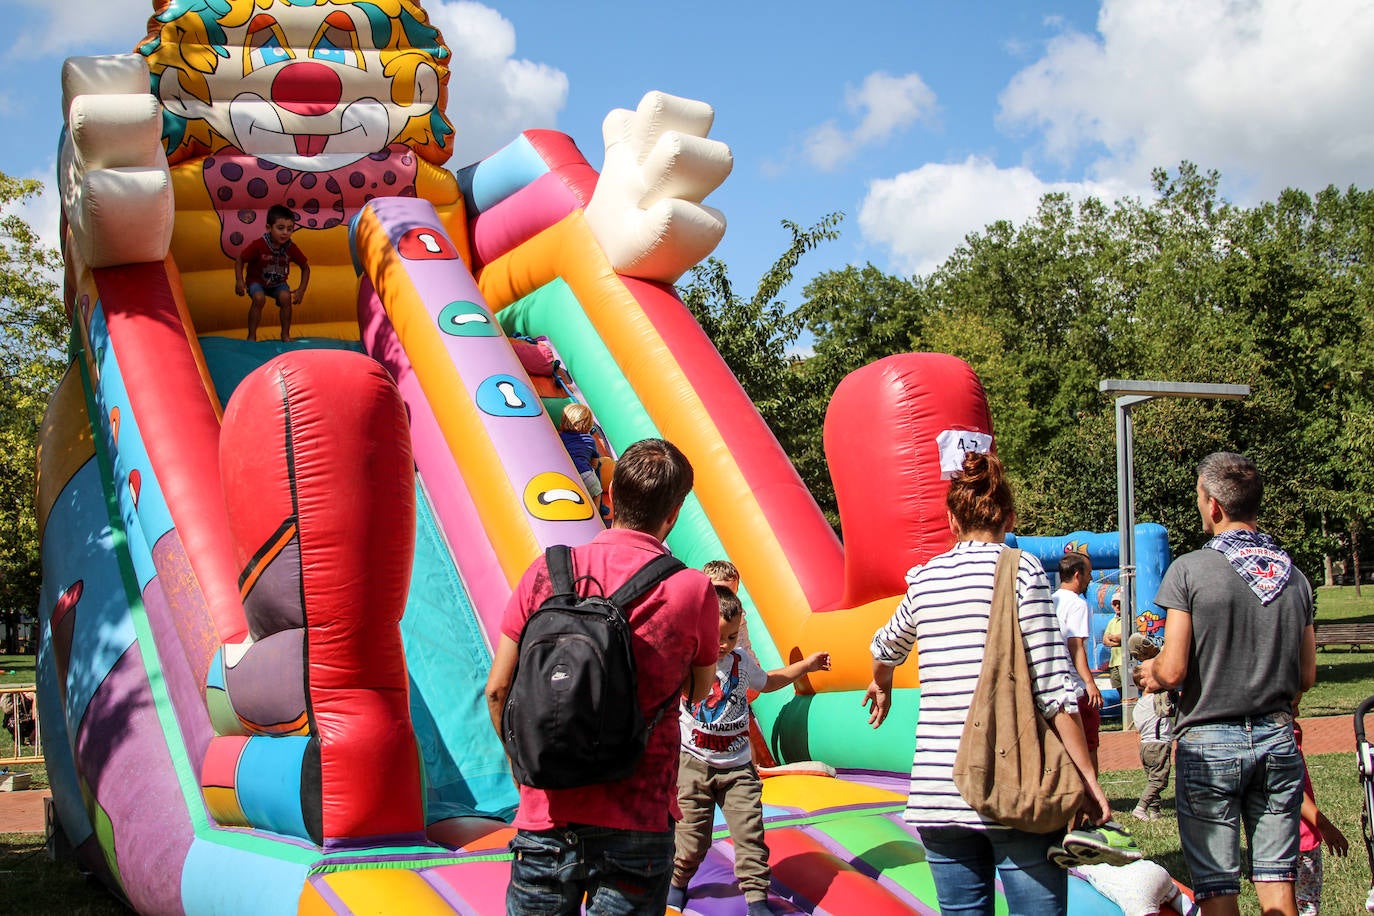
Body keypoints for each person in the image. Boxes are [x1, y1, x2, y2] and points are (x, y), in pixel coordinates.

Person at [864, 450, 1112, 915]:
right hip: (1013, 784)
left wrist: (883, 683)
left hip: (939, 793)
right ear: (1010, 518)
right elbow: (1056, 689)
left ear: (952, 523)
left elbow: (883, 648)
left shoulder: (923, 579)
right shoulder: (1022, 570)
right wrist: (1087, 778)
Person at [484, 438, 720, 915]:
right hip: (639, 819)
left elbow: (497, 691)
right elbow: (698, 692)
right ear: (672, 514)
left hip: (546, 815)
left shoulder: (547, 572)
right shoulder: (692, 590)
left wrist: (528, 771)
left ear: (610, 494)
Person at [1140, 451, 1316, 916]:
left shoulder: (1190, 569)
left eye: (1199, 497)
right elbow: (1308, 674)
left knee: (1218, 887)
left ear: (1214, 504)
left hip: (1209, 742)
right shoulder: (1294, 576)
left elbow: (1174, 669)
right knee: (1279, 882)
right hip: (1278, 741)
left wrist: (1150, 673)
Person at [668, 587, 831, 915]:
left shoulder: (740, 661)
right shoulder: (686, 659)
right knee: (692, 840)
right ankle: (676, 881)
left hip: (737, 766)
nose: (724, 644)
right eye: (718, 637)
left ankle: (756, 899)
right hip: (694, 764)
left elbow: (768, 681)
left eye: (731, 636)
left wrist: (806, 666)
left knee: (750, 834)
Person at [1293, 702, 1349, 916]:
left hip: (1271, 838)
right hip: (1301, 838)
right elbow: (1291, 790)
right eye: (1294, 701)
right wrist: (1324, 826)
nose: (1298, 708)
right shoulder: (1283, 736)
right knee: (1307, 905)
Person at [1054, 551, 1103, 772]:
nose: (1090, 579)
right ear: (1077, 575)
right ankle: (1091, 799)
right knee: (1088, 744)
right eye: (1089, 574)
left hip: (1055, 686)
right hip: (1076, 688)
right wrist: (1090, 683)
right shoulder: (1077, 604)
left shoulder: (1050, 600)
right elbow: (1076, 646)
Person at [235, 204, 310, 342]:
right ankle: (251, 336)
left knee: (285, 297)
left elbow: (305, 267)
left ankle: (285, 335)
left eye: (289, 229)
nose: (285, 233)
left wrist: (301, 290)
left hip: (277, 283)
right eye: (280, 228)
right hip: (256, 281)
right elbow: (240, 259)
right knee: (259, 298)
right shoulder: (259, 245)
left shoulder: (290, 247)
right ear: (269, 228)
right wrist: (239, 281)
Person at [1130, 667, 1175, 822]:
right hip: (1159, 745)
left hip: (1145, 746)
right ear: (1146, 683)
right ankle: (1140, 808)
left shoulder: (1139, 704)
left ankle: (1155, 811)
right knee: (1159, 780)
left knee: (1152, 779)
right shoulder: (1157, 700)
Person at [558, 403, 603, 501]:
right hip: (585, 474)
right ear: (588, 425)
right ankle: (597, 513)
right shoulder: (590, 440)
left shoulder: (559, 437)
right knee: (597, 492)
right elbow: (595, 464)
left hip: (567, 474)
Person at [1103, 590, 1125, 692]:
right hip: (1113, 663)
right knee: (1119, 690)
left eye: (1119, 603)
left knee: (1127, 690)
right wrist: (1116, 640)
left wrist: (1113, 638)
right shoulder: (1112, 621)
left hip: (1123, 661)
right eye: (1115, 604)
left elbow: (1124, 637)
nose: (1117, 606)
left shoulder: (1128, 619)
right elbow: (1105, 640)